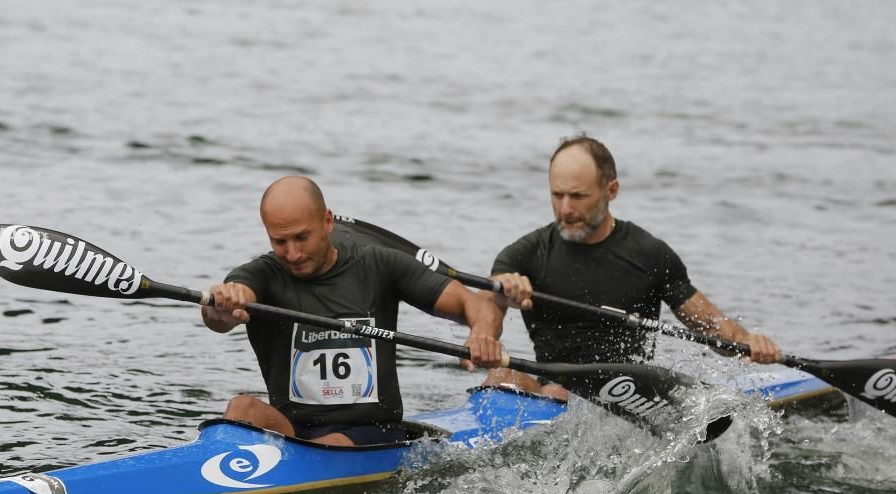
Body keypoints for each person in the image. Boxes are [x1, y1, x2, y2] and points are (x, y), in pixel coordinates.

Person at [203, 175, 505, 446]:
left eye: (301, 237)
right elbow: (220, 314)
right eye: (279, 241)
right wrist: (223, 307)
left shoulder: (379, 266)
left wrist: (482, 335)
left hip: (370, 431)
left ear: (328, 222)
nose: (292, 253)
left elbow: (475, 305)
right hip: (294, 432)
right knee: (242, 408)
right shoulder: (263, 275)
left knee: (331, 444)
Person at [483, 134, 781, 400]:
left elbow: (711, 327)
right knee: (501, 376)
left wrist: (747, 342)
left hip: (629, 396)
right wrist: (490, 317)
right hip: (553, 390)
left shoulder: (650, 255)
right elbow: (488, 309)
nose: (565, 209)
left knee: (564, 391)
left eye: (577, 196)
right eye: (556, 194)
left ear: (611, 190)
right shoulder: (525, 255)